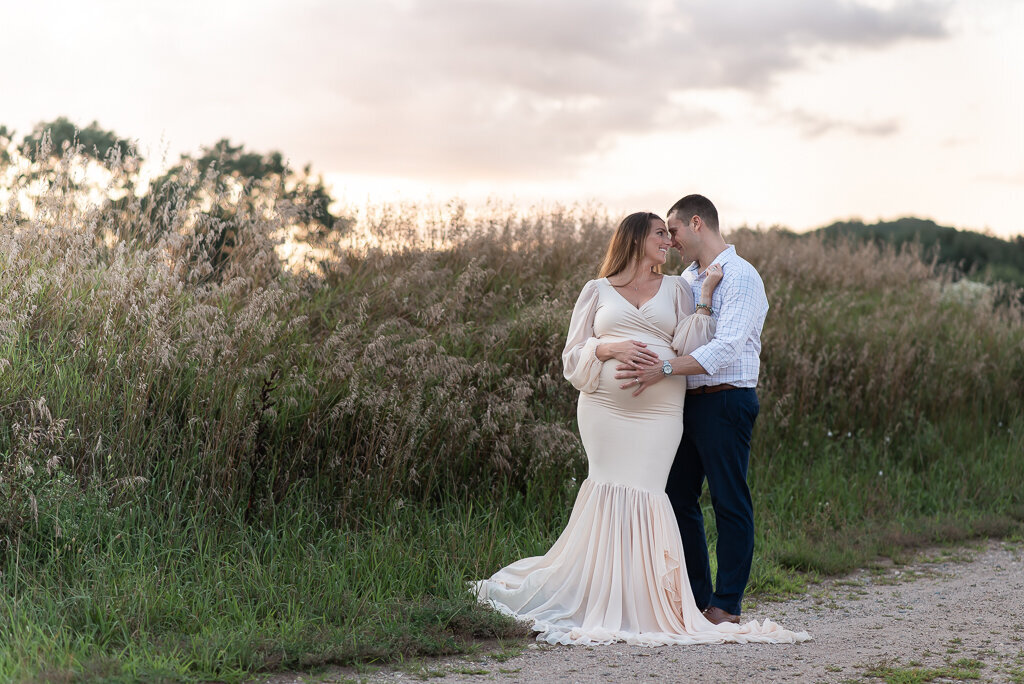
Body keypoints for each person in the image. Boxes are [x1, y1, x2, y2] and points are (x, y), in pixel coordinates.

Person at [472, 211, 807, 646]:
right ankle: (603, 592)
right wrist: (608, 346)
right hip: (604, 411)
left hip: (660, 413)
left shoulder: (681, 286)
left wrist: (704, 297)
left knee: (654, 494)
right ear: (634, 239)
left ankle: (662, 600)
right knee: (610, 489)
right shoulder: (596, 290)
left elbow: (694, 341)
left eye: (671, 233)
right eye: (660, 234)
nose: (668, 241)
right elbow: (572, 356)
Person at [615, 195, 768, 626]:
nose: (671, 240)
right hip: (685, 403)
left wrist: (661, 368)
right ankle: (697, 598)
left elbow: (725, 347)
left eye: (674, 230)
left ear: (696, 223)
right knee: (678, 496)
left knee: (728, 501)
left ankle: (727, 605)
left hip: (726, 399)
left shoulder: (742, 277)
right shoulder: (687, 278)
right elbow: (682, 337)